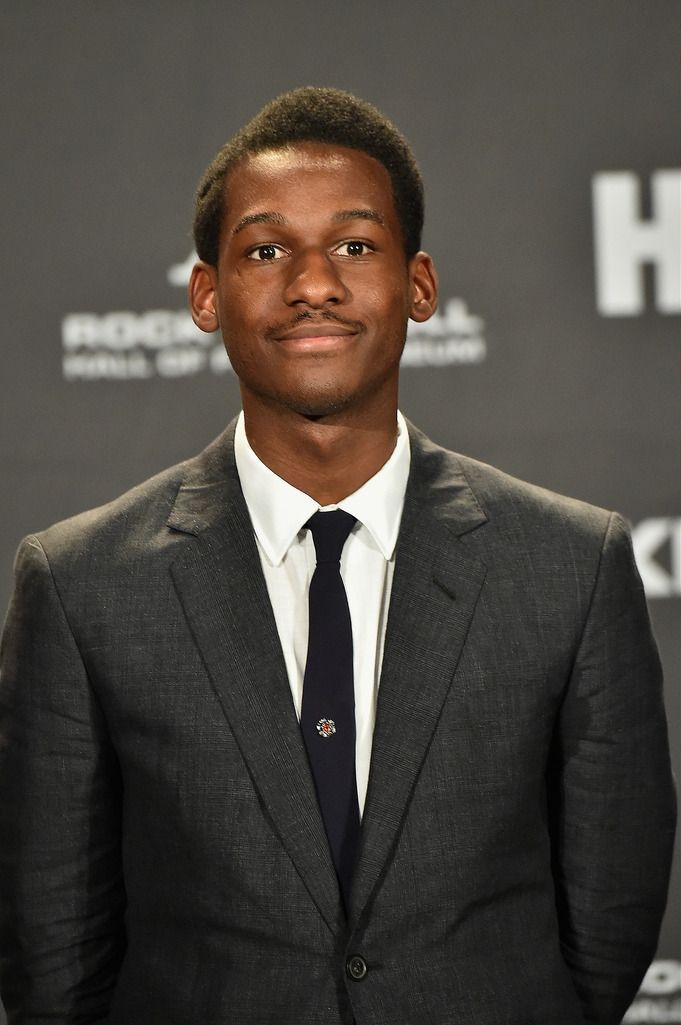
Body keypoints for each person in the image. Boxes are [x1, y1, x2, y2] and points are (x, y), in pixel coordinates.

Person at [0, 87, 675, 1025]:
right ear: (205, 294)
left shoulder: (570, 565)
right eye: (266, 249)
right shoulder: (82, 585)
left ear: (419, 285)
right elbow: (53, 957)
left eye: (354, 246)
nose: (311, 281)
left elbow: (605, 936)